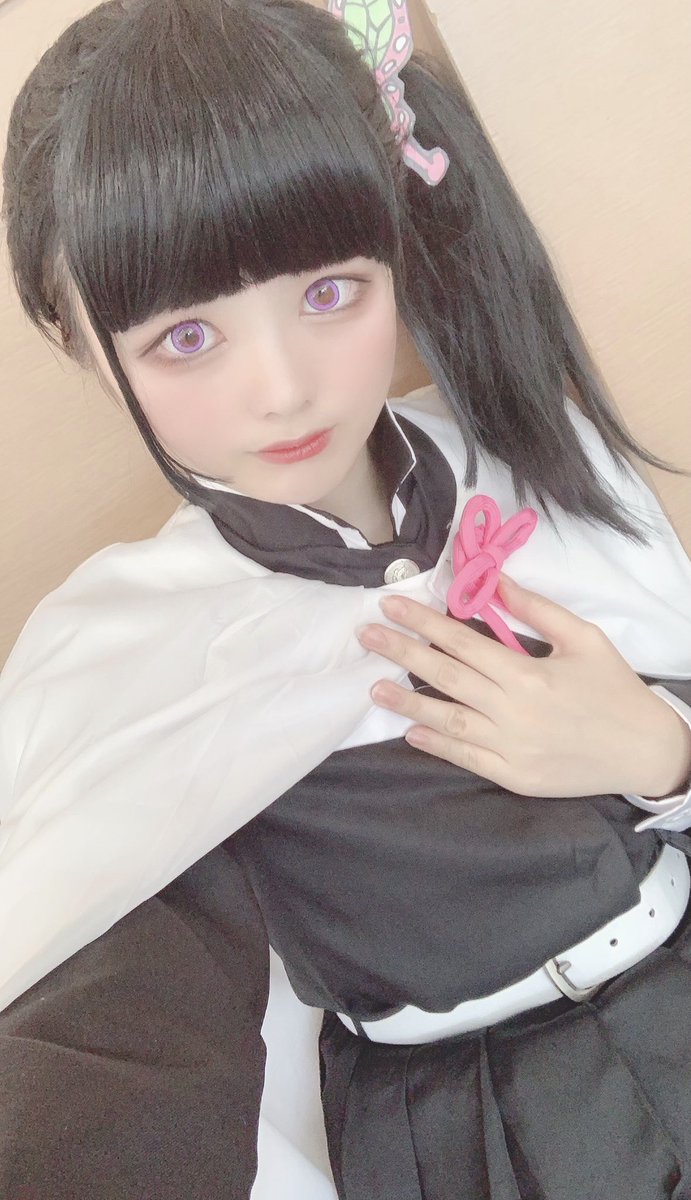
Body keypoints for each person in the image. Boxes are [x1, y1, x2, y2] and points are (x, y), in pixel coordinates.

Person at [1, 0, 690, 1196]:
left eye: (329, 293)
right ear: (78, 340)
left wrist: (661, 753)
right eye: (186, 338)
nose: (283, 390)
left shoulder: (536, 455)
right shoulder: (118, 651)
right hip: (477, 1131)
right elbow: (101, 1049)